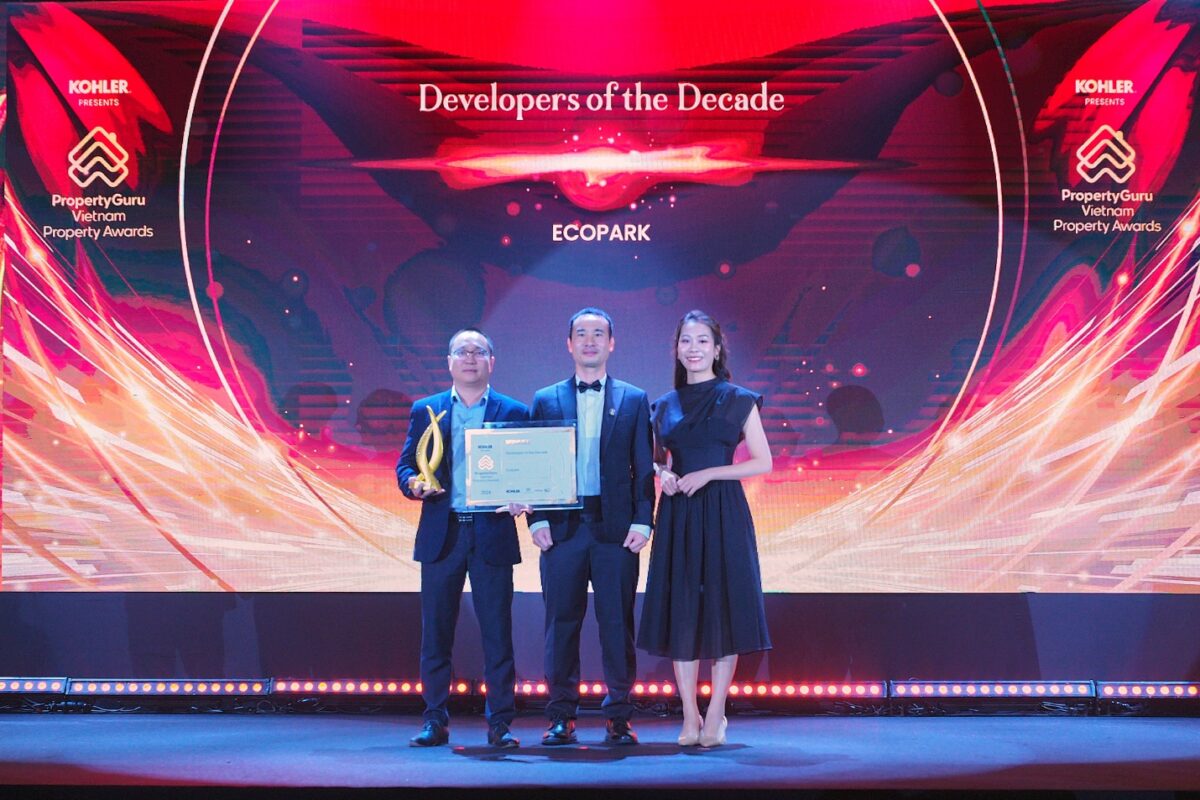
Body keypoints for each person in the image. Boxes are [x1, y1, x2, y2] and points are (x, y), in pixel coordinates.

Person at [638, 310, 773, 747]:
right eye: (686, 341)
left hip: (722, 511)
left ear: (716, 350)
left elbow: (762, 461)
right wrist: (664, 473)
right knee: (682, 610)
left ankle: (716, 713)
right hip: (679, 512)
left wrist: (711, 473)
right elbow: (656, 460)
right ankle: (689, 715)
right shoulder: (663, 405)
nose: (693, 348)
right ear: (677, 350)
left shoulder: (738, 399)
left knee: (722, 608)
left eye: (701, 341)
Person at [527, 308, 655, 746]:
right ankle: (561, 715)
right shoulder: (545, 399)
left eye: (598, 334)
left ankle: (618, 715)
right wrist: (536, 517)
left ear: (611, 343)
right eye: (581, 333)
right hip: (562, 528)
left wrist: (644, 521)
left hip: (616, 530)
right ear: (569, 344)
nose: (589, 341)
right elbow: (534, 464)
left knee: (617, 624)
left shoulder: (634, 399)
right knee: (561, 624)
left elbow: (643, 468)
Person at [396, 328, 528, 749]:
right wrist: (413, 484)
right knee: (435, 634)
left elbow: (527, 468)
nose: (470, 358)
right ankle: (434, 719)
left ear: (492, 361)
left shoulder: (514, 412)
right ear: (449, 361)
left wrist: (525, 494)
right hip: (443, 532)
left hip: (492, 532)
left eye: (479, 351)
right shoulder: (427, 409)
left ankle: (500, 723)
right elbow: (405, 466)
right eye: (462, 351)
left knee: (498, 635)